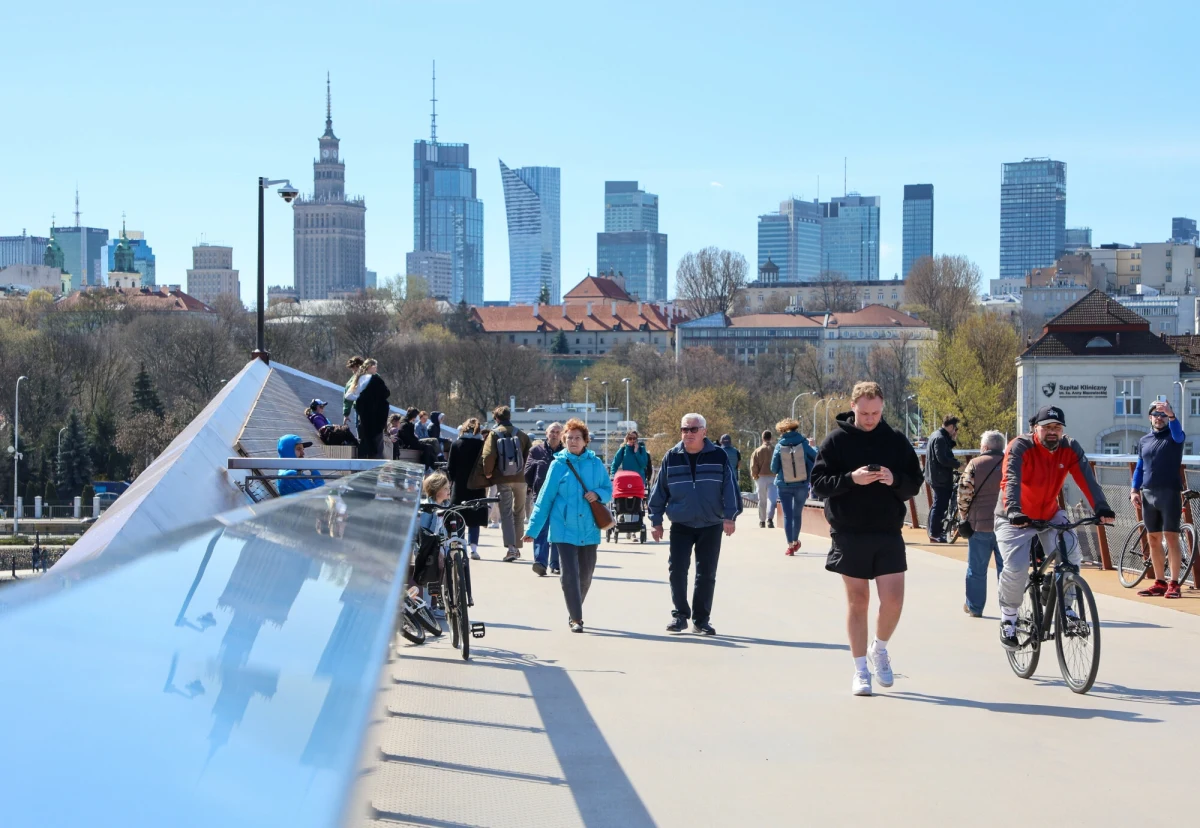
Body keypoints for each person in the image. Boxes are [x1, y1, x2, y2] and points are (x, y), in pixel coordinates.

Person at [810, 381, 923, 696]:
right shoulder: (836, 441)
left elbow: (914, 483)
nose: (870, 418)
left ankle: (880, 648)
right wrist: (851, 479)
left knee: (894, 600)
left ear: (883, 407)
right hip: (849, 530)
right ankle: (860, 671)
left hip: (887, 529)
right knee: (858, 601)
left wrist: (894, 479)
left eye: (875, 412)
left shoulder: (896, 440)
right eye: (864, 413)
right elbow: (818, 483)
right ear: (853, 407)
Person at [995, 405, 1114, 651]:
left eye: (1057, 428)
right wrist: (1015, 510)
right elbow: (1011, 479)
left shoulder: (1069, 448)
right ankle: (1008, 618)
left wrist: (1101, 508)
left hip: (1049, 513)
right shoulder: (1020, 447)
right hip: (1013, 515)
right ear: (1035, 429)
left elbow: (1086, 479)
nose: (1052, 432)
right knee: (1016, 567)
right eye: (1047, 427)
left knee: (1071, 554)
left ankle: (1066, 606)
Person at [648, 413, 741, 636]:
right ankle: (680, 616)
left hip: (711, 523)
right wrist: (656, 521)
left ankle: (701, 620)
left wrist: (730, 516)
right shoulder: (672, 456)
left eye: (693, 429)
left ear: (704, 432)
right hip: (681, 523)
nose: (688, 433)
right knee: (677, 570)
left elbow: (730, 487)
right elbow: (659, 490)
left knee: (706, 573)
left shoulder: (718, 455)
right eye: (684, 429)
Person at [523, 419, 613, 633]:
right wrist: (532, 530)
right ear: (564, 440)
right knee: (569, 574)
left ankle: (574, 608)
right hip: (563, 528)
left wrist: (598, 494)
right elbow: (544, 499)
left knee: (586, 574)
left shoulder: (596, 464)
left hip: (590, 528)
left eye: (577, 438)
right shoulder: (558, 464)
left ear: (585, 441)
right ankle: (576, 618)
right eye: (569, 438)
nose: (573, 441)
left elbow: (608, 489)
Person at [1131, 398, 1186, 599]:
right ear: (1150, 418)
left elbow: (1179, 434)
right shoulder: (1144, 440)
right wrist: (1134, 490)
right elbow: (1140, 466)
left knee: (1171, 537)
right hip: (1148, 493)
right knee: (1153, 538)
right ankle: (1160, 581)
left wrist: (1172, 415)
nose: (1159, 418)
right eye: (1156, 414)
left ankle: (1174, 583)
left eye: (1163, 415)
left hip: (1169, 491)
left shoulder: (1174, 436)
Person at [957, 430, 1006, 617]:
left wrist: (963, 517)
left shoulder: (975, 464)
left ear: (984, 447)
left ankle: (975, 607)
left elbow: (964, 494)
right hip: (1007, 525)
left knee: (976, 570)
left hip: (979, 525)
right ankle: (1008, 610)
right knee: (1006, 570)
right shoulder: (1012, 464)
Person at [481, 405, 533, 562]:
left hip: (503, 478)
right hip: (521, 479)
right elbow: (529, 457)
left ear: (496, 418)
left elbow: (488, 455)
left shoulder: (494, 434)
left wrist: (488, 472)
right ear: (510, 417)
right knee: (519, 512)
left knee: (506, 513)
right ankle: (517, 547)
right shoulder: (522, 435)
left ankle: (511, 548)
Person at [771, 419, 817, 555]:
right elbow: (815, 457)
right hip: (802, 484)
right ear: (796, 429)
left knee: (787, 515)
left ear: (782, 431)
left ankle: (790, 546)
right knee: (797, 514)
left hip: (784, 485)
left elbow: (773, 468)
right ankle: (796, 541)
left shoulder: (779, 446)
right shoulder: (803, 443)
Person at [525, 422, 564, 576]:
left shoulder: (566, 452)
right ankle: (540, 562)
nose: (554, 434)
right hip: (541, 495)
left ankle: (555, 564)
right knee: (541, 528)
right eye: (552, 432)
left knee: (557, 529)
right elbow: (526, 473)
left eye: (557, 432)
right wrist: (537, 469)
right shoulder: (536, 451)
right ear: (546, 434)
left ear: (561, 435)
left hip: (561, 497)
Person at [446, 418, 487, 560]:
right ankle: (473, 549)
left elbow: (450, 468)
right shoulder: (482, 445)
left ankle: (461, 546)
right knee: (474, 518)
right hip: (477, 486)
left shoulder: (457, 444)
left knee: (459, 516)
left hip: (460, 486)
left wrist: (452, 481)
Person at [924, 415, 960, 543]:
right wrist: (956, 464)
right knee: (940, 505)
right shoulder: (939, 438)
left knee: (939, 504)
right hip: (940, 478)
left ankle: (936, 531)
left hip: (937, 476)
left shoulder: (937, 435)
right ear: (950, 426)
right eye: (955, 428)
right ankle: (935, 533)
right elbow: (942, 459)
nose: (956, 430)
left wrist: (952, 439)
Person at [352, 358, 390, 460]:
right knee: (377, 447)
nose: (376, 369)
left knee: (364, 443)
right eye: (375, 367)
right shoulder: (374, 380)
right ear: (370, 367)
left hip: (363, 419)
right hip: (375, 420)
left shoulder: (358, 378)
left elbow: (350, 396)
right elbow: (386, 393)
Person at [750, 430, 778, 528]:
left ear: (763, 438)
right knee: (772, 499)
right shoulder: (775, 449)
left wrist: (755, 475)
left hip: (761, 477)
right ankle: (770, 519)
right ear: (771, 438)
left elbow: (753, 466)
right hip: (773, 477)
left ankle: (762, 521)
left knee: (762, 500)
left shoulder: (757, 451)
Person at [341, 355, 365, 432]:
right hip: (360, 409)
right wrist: (346, 414)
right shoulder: (353, 380)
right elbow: (347, 397)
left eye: (355, 369)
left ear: (359, 366)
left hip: (370, 409)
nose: (354, 372)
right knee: (360, 429)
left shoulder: (372, 376)